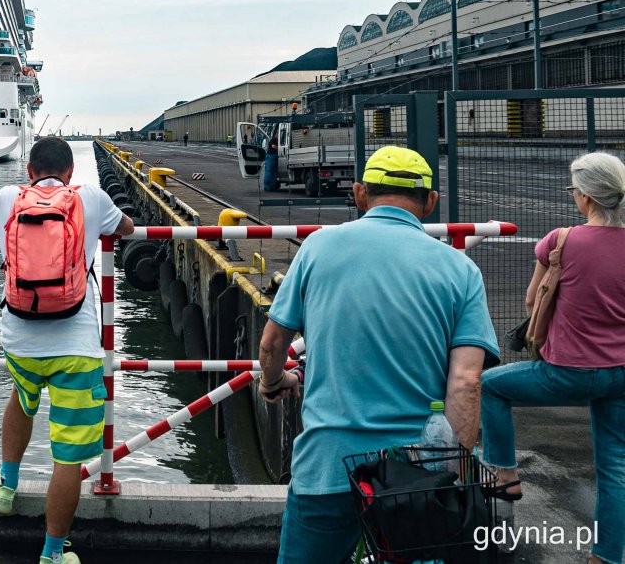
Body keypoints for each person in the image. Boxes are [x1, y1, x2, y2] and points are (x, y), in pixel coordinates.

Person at [258, 146, 498, 564]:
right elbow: (466, 382)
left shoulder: (318, 248)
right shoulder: (460, 270)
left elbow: (272, 344)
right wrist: (449, 481)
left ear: (359, 193)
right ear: (430, 202)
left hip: (327, 464)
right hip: (416, 475)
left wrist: (273, 381)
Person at [0, 137, 135, 564]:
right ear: (70, 173)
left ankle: (5, 486)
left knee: (22, 398)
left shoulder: (8, 198)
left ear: (28, 171)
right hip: (76, 345)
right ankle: (52, 554)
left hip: (19, 340)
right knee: (68, 457)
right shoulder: (90, 198)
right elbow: (127, 229)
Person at [479, 152, 625, 564]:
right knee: (614, 468)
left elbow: (532, 301)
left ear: (586, 197)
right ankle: (607, 556)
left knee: (491, 386)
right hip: (620, 374)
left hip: (567, 372)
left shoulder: (561, 240)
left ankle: (505, 474)